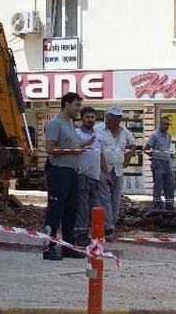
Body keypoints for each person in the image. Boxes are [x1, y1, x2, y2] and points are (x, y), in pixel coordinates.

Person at [43, 92, 89, 260]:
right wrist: (73, 150)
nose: (79, 109)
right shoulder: (55, 124)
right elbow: (50, 149)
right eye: (76, 105)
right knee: (55, 211)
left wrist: (82, 145)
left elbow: (71, 146)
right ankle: (48, 248)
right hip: (58, 172)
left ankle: (68, 247)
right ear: (67, 104)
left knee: (71, 211)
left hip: (72, 172)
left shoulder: (69, 122)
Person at [95, 106, 137, 236]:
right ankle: (108, 228)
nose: (116, 121)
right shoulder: (97, 129)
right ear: (108, 117)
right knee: (105, 198)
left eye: (119, 118)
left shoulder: (124, 131)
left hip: (118, 169)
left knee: (116, 199)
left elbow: (133, 144)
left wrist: (129, 157)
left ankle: (110, 224)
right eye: (114, 118)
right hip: (103, 168)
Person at [74, 107, 110, 246]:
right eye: (87, 117)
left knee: (92, 208)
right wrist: (85, 143)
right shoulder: (77, 134)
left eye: (93, 117)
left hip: (95, 177)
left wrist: (106, 173)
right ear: (82, 118)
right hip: (82, 175)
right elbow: (73, 150)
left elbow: (100, 155)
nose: (90, 119)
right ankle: (79, 235)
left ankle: (87, 233)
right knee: (82, 208)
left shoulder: (98, 135)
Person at [144, 116, 174, 211]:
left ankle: (170, 206)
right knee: (158, 185)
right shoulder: (154, 135)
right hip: (157, 163)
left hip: (167, 163)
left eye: (168, 124)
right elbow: (146, 149)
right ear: (160, 124)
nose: (167, 126)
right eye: (165, 124)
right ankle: (157, 206)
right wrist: (154, 157)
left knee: (169, 185)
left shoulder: (168, 135)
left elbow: (167, 149)